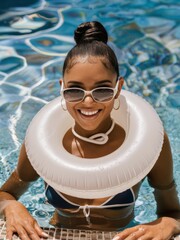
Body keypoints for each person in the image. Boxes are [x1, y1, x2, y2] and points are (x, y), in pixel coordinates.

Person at [0, 21, 180, 240]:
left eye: (102, 90)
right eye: (74, 90)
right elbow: (6, 193)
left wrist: (169, 224)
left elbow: (172, 211)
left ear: (118, 88)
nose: (88, 101)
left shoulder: (149, 142)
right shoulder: (42, 142)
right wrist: (11, 207)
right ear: (61, 87)